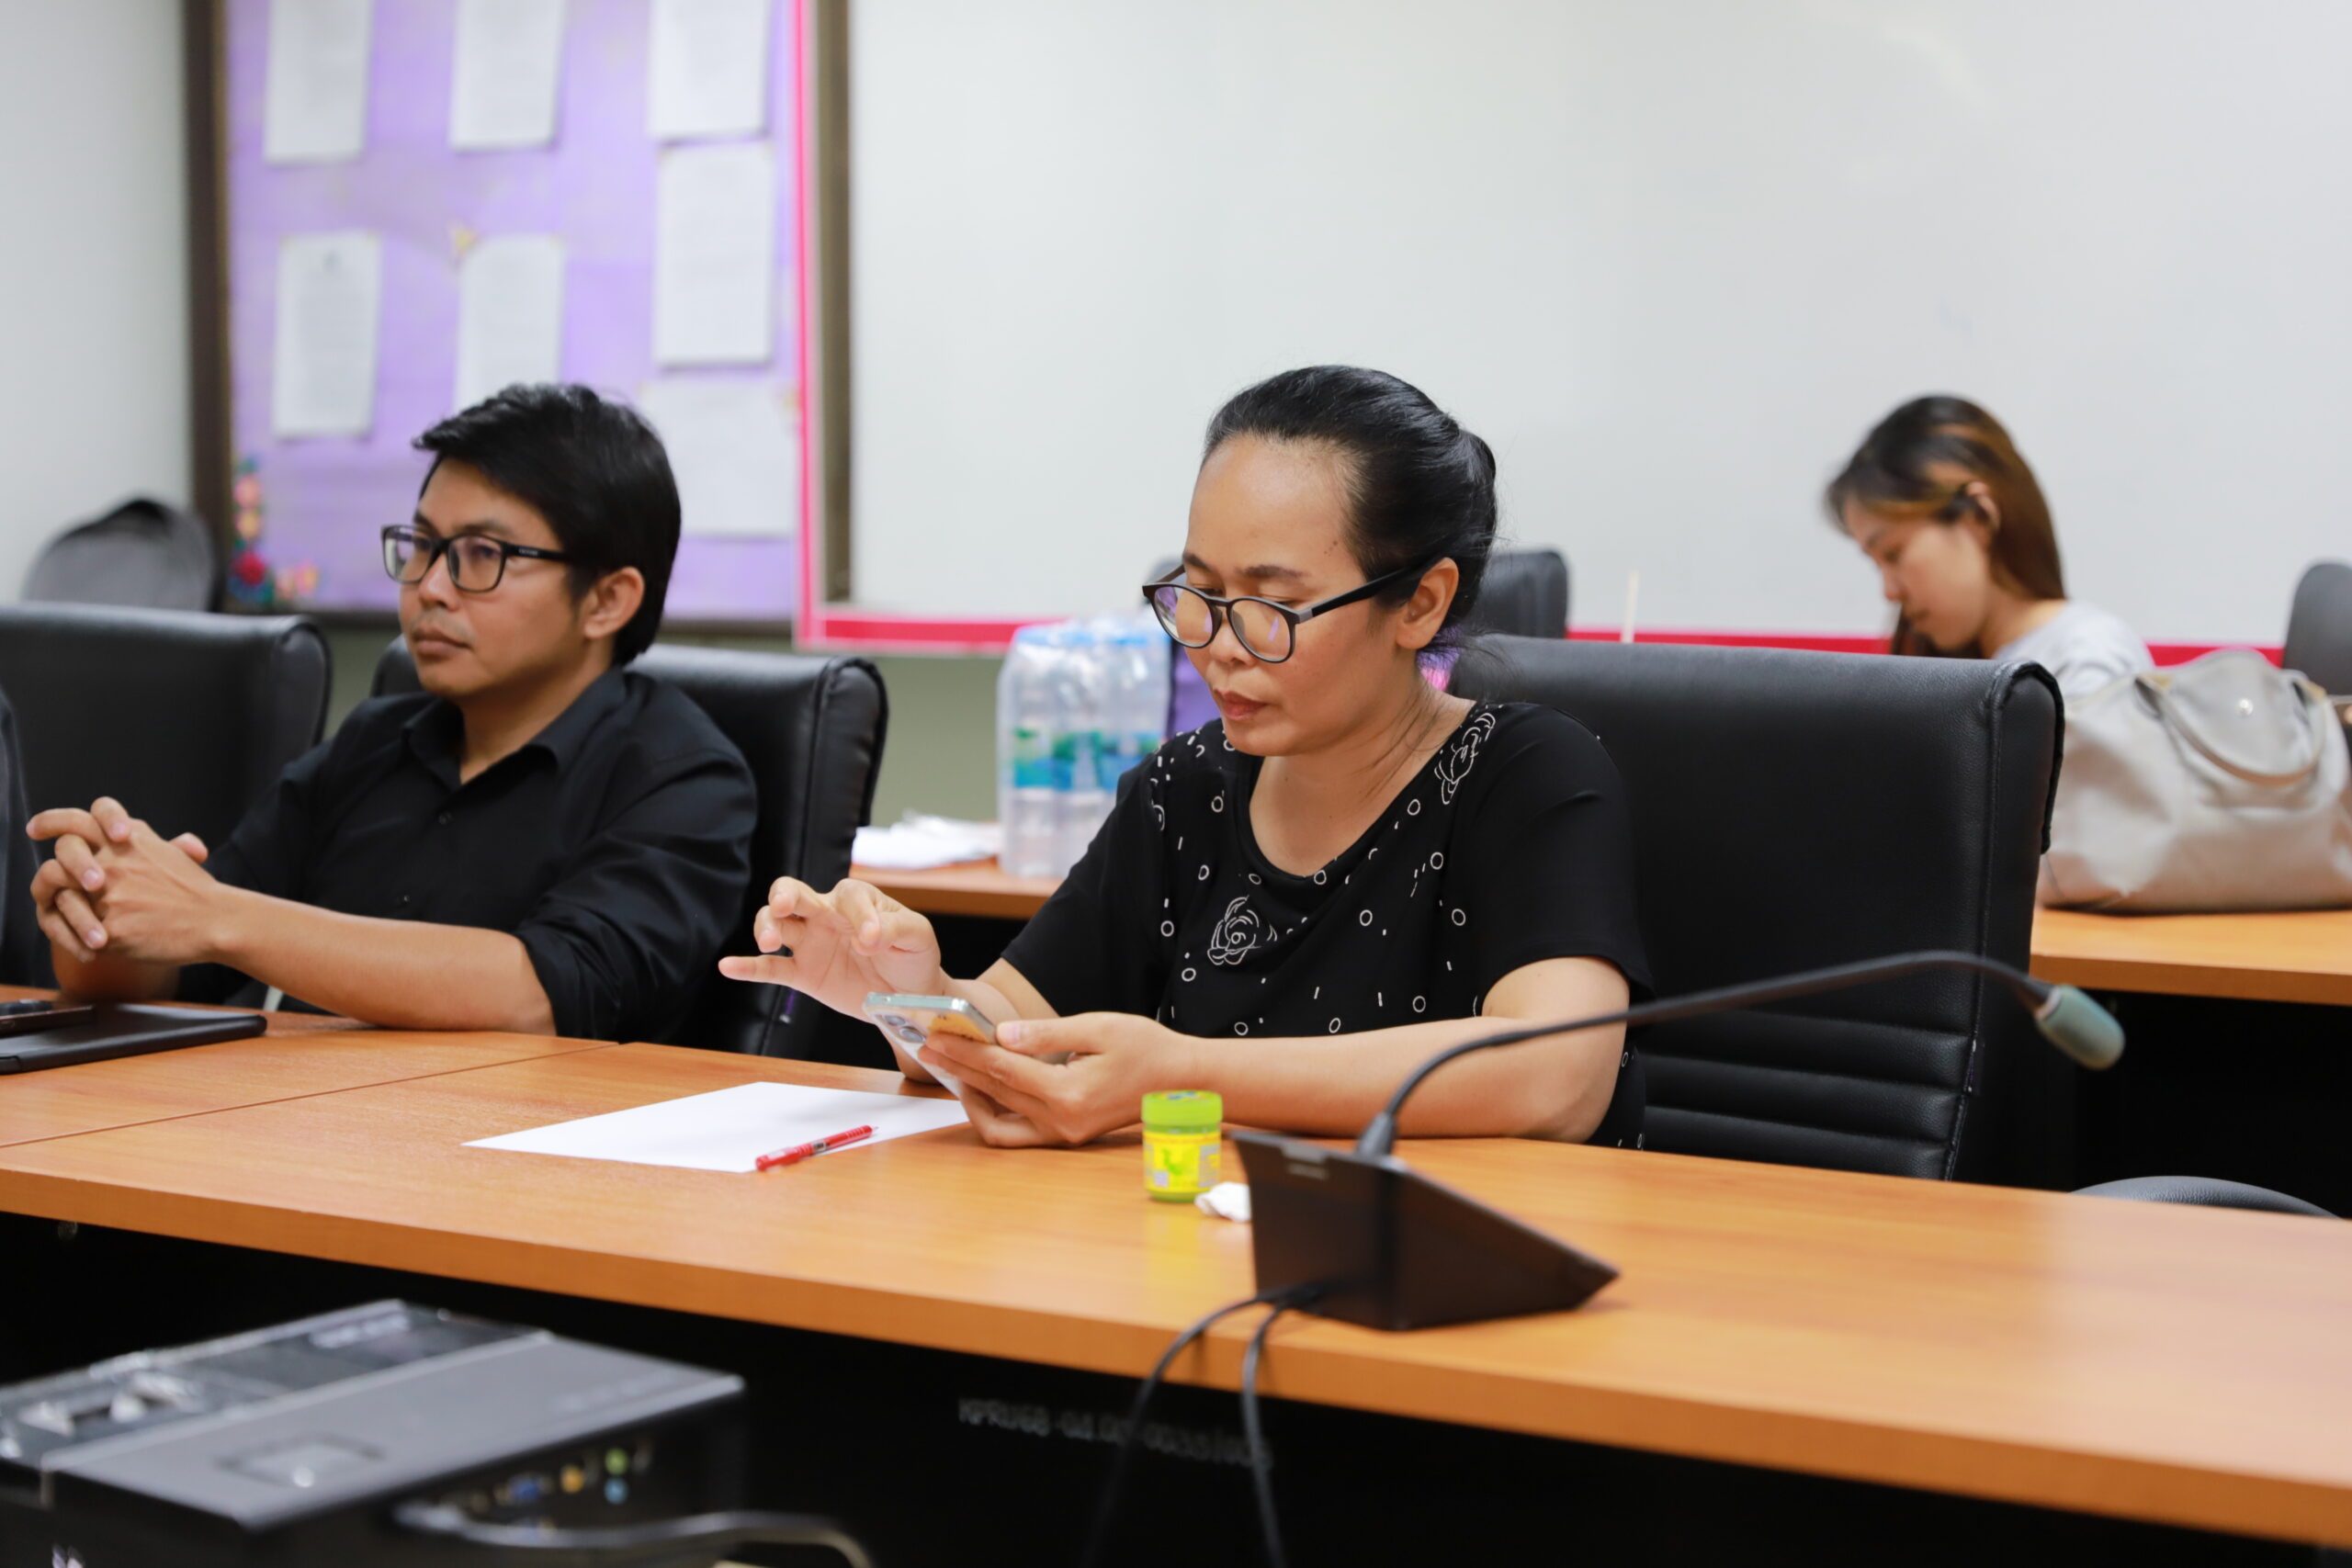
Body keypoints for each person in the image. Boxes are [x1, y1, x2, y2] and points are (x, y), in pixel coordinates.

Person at [724, 366, 1648, 1148]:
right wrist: (913, 1000)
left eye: (1271, 607)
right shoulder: (1187, 790)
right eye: (1198, 594)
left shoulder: (1525, 776)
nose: (1218, 646)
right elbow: (1010, 1026)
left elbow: (1555, 1077)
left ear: (1418, 603)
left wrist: (1186, 1075)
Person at [28, 384, 756, 1042]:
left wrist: (215, 915)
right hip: (304, 1125)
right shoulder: (374, 741)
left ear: (607, 600)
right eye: (423, 545)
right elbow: (179, 971)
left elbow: (541, 993)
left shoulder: (686, 780)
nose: (430, 586)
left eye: (482, 554)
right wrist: (99, 915)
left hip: (536, 1139)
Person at [1828, 395, 2151, 697]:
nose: (1890, 592)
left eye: (1893, 553)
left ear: (1977, 518)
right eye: (1876, 564)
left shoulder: (2086, 660)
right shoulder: (1978, 669)